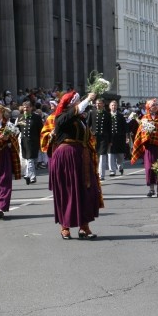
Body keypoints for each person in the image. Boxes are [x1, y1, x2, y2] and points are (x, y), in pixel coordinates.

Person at [48, 91, 102, 239]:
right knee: (68, 190)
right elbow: (66, 118)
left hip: (81, 156)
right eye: (77, 102)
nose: (79, 104)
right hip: (66, 156)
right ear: (71, 104)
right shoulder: (60, 117)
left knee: (84, 190)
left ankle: (84, 226)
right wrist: (87, 100)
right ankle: (65, 226)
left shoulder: (79, 119)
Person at [131, 99, 158, 197]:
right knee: (149, 169)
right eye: (152, 105)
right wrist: (146, 132)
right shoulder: (144, 118)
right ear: (148, 107)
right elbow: (140, 133)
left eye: (156, 105)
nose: (155, 107)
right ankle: (151, 189)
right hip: (149, 148)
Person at [17, 100, 43, 185]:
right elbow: (17, 129)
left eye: (27, 107)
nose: (25, 109)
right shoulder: (20, 117)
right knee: (28, 159)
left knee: (31, 159)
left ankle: (29, 175)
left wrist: (41, 141)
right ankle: (31, 176)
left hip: (33, 141)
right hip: (24, 141)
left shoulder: (37, 117)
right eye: (24, 107)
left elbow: (41, 130)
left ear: (31, 108)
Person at [87, 98, 112, 179]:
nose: (98, 105)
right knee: (94, 155)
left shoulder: (107, 114)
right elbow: (87, 125)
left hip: (104, 138)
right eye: (96, 103)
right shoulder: (91, 112)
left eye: (100, 103)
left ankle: (101, 174)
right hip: (94, 137)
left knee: (102, 155)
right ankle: (94, 171)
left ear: (103, 104)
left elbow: (109, 128)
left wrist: (110, 140)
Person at [108, 100, 128, 176]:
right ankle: (112, 170)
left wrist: (126, 136)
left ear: (117, 106)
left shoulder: (121, 116)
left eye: (115, 105)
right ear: (110, 107)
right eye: (112, 105)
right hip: (110, 138)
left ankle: (120, 167)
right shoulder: (107, 116)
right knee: (110, 155)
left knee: (120, 155)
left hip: (120, 138)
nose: (113, 107)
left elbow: (125, 127)